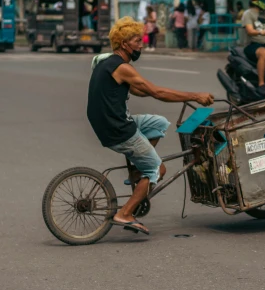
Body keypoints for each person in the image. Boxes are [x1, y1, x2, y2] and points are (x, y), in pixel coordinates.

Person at [87, 17, 214, 235]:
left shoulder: (106, 62)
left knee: (159, 123)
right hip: (117, 128)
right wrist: (194, 96)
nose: (141, 44)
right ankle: (125, 213)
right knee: (157, 168)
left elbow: (139, 90)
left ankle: (138, 170)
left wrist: (173, 96)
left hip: (109, 122)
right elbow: (155, 92)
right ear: (125, 43)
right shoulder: (122, 67)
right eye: (137, 40)